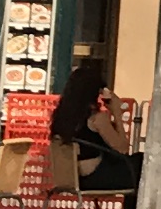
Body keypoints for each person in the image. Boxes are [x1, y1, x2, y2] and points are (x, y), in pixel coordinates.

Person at [49, 48, 140, 190]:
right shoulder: (97, 119)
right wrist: (117, 113)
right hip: (98, 177)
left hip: (76, 179)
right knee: (141, 162)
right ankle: (133, 206)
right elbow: (122, 149)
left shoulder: (62, 118)